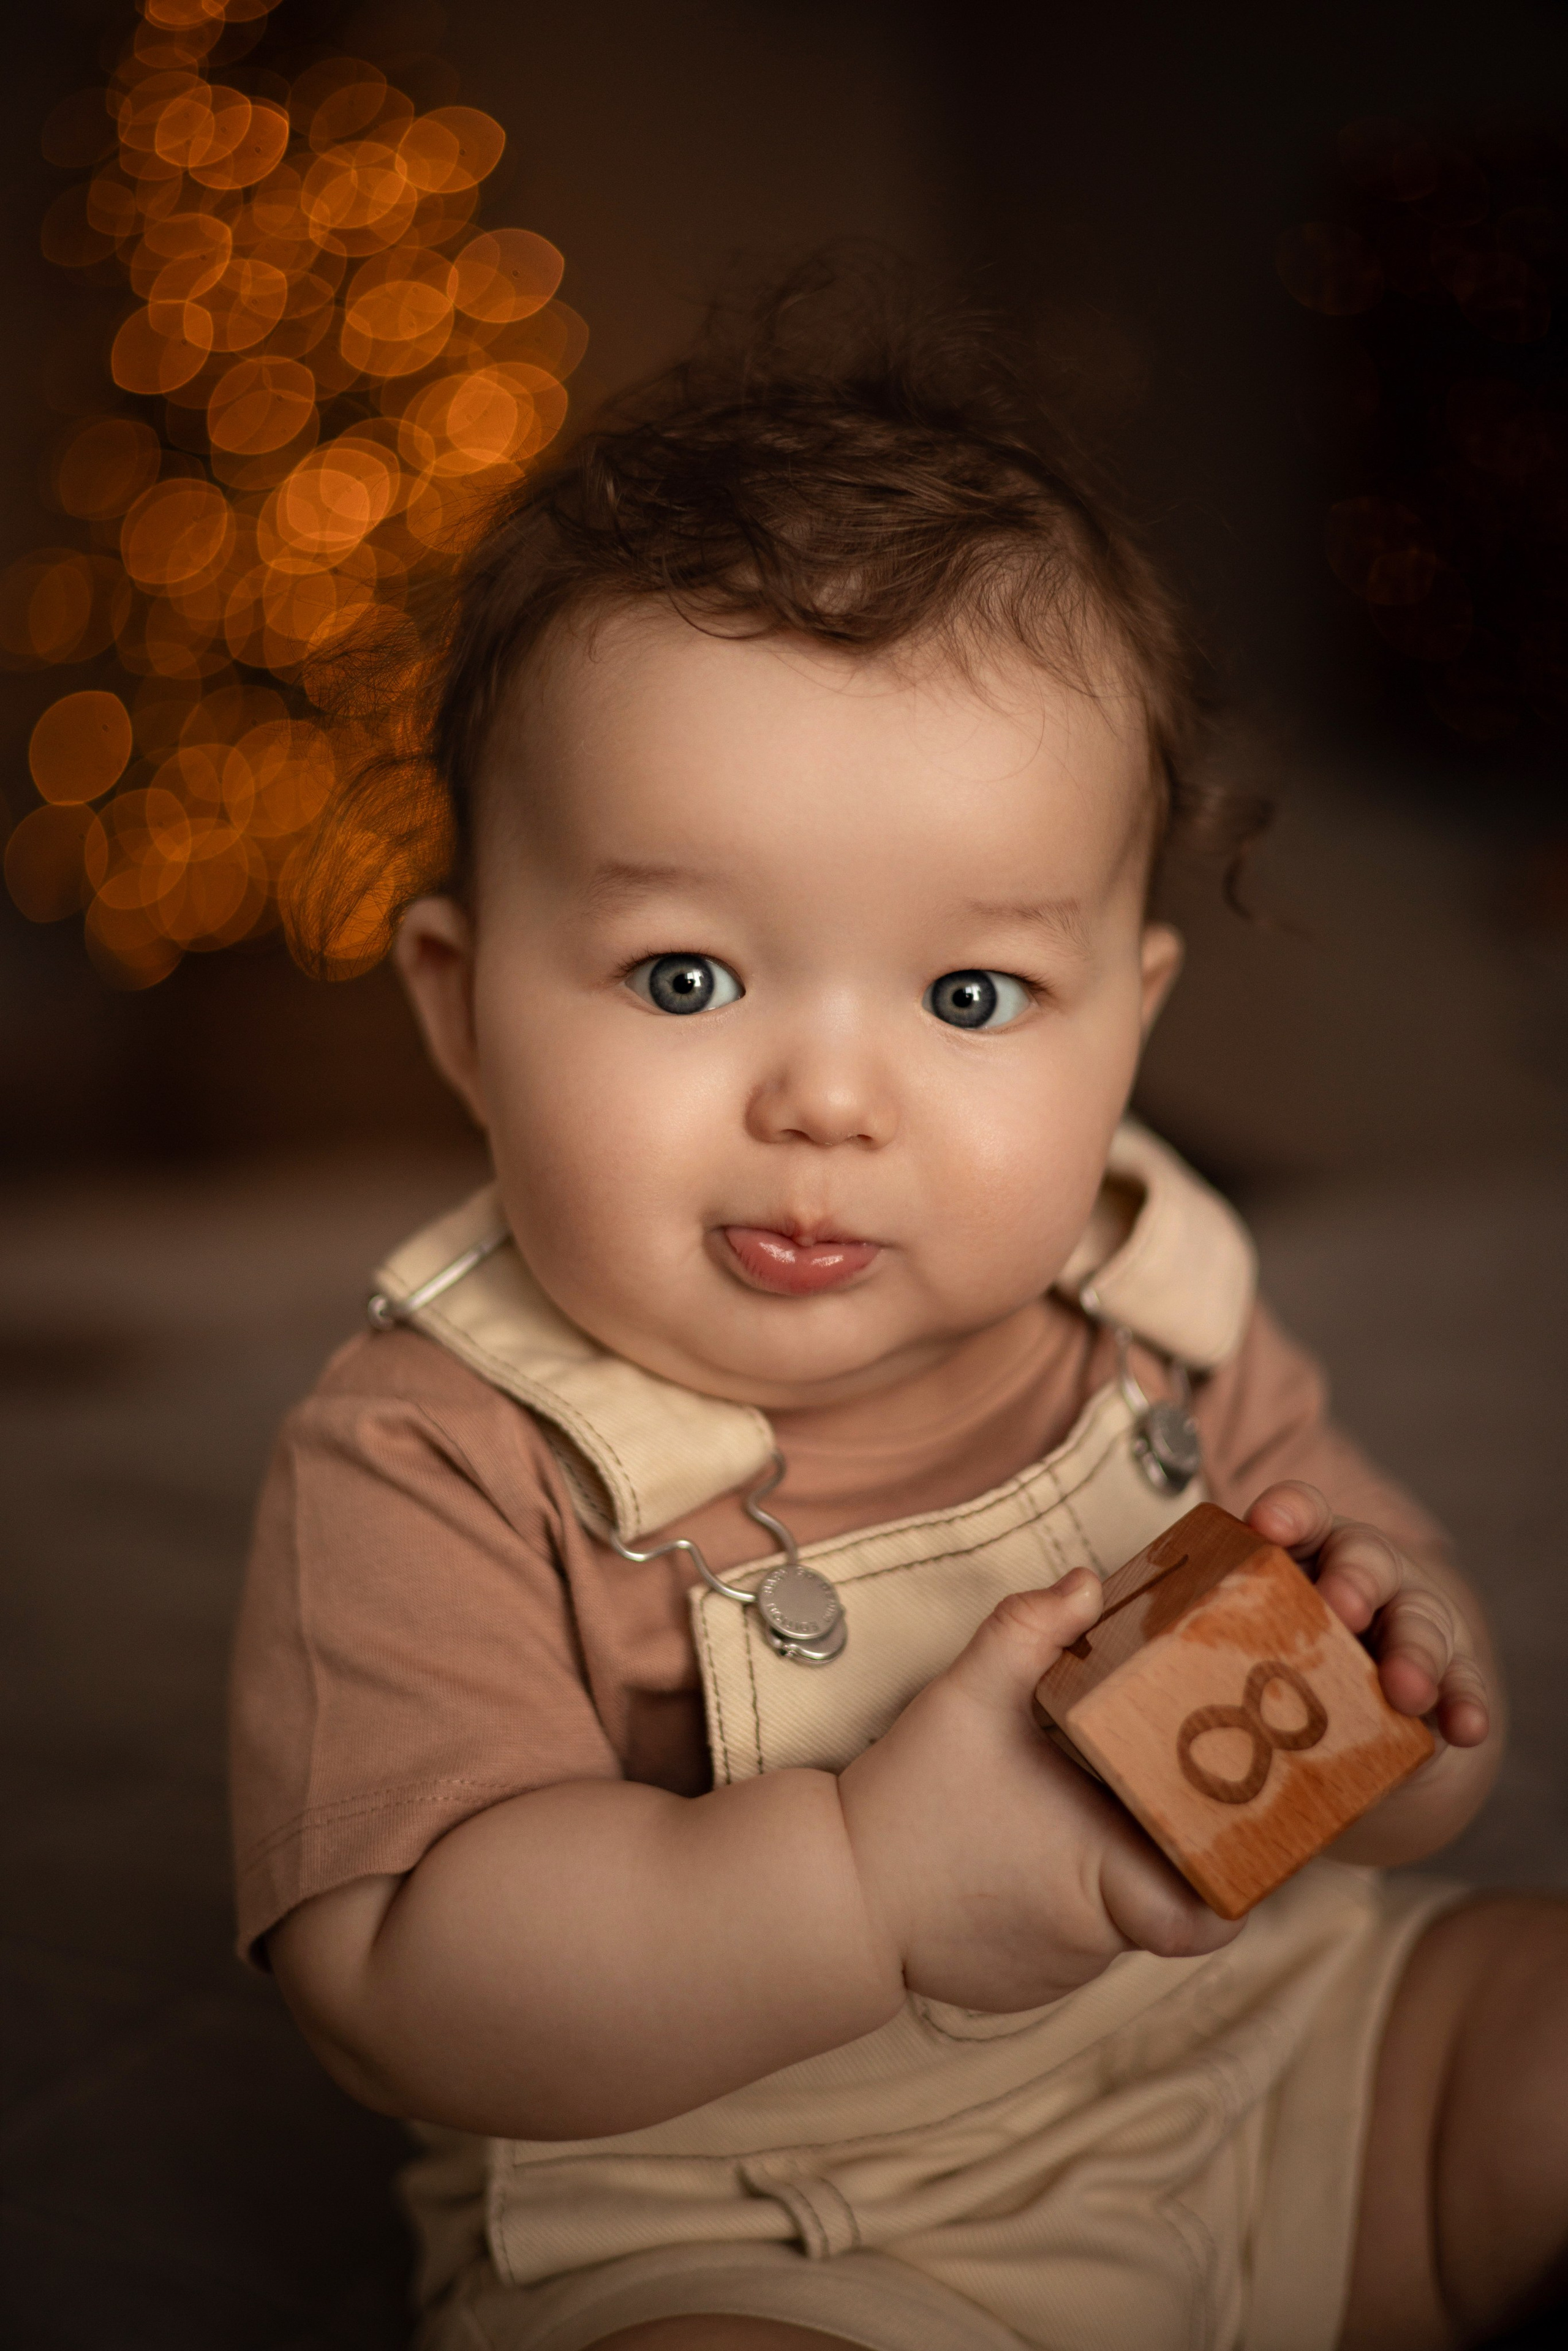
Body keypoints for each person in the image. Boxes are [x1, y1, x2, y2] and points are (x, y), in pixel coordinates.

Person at [230, 277, 1568, 2351]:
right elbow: (398, 1979)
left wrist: (1409, 1684)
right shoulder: (434, 1449)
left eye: (969, 998)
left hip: (1279, 2072)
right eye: (685, 976)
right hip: (771, 2224)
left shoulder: (1159, 1302)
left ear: (1125, 1030)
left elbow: (1371, 1677)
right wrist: (867, 1885)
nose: (829, 1102)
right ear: (460, 1008)